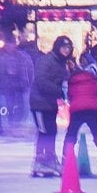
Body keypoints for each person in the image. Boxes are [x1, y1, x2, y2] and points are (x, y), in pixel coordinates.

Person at [63, 47, 97, 178]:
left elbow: (70, 96)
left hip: (77, 109)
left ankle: (65, 159)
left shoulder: (72, 79)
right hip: (93, 109)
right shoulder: (93, 78)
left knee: (71, 135)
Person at [29, 36, 72, 177]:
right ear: (57, 47)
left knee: (52, 131)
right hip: (39, 102)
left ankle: (50, 159)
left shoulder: (61, 62)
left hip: (50, 103)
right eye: (64, 47)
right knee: (44, 132)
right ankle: (39, 161)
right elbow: (41, 80)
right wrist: (58, 91)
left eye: (68, 48)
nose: (66, 50)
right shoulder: (47, 60)